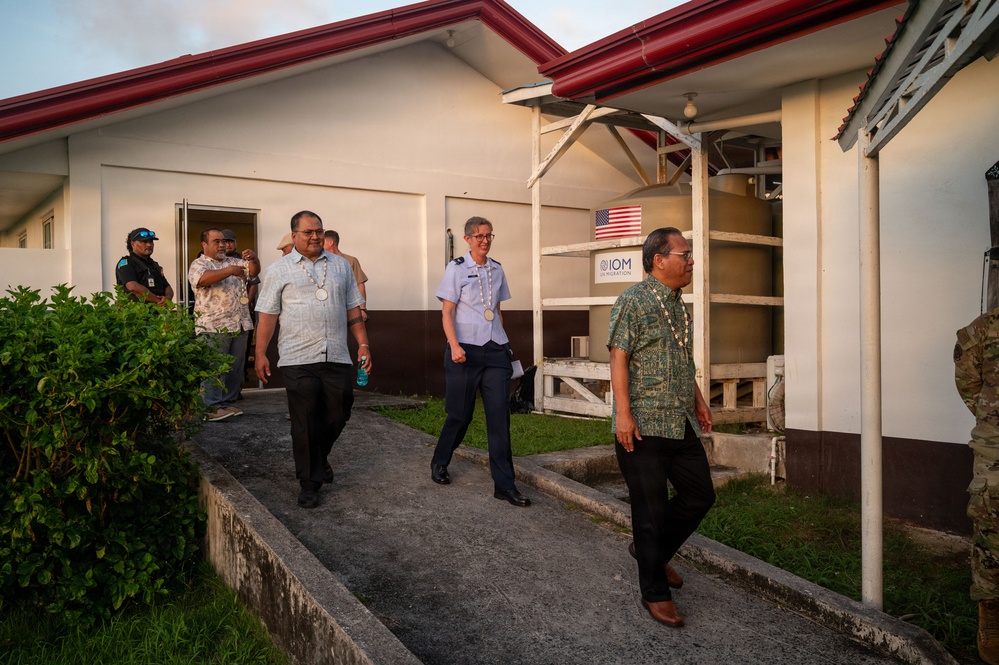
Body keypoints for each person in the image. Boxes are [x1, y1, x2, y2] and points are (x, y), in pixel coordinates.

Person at [608, 227, 715, 628]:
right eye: (684, 254)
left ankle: (649, 550)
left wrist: (699, 402)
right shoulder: (633, 301)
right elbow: (618, 358)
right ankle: (654, 591)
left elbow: (682, 360)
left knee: (700, 495)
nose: (690, 261)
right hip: (643, 423)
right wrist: (623, 414)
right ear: (659, 260)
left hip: (679, 420)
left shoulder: (678, 304)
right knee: (649, 511)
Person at [255, 210, 370, 509]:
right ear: (294, 236)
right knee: (304, 421)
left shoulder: (341, 266)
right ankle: (309, 482)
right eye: (308, 232)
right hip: (296, 356)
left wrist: (363, 345)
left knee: (340, 410)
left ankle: (318, 459)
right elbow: (268, 315)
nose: (315, 236)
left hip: (336, 353)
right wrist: (260, 353)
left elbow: (353, 309)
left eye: (318, 231)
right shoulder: (279, 270)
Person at [430, 216, 530, 507]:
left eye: (489, 236)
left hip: (495, 352)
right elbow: (447, 313)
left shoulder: (497, 270)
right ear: (467, 239)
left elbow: (496, 310)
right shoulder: (456, 269)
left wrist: (505, 343)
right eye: (479, 236)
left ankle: (505, 485)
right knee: (460, 414)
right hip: (465, 352)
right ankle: (440, 460)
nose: (485, 240)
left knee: (499, 418)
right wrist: (454, 346)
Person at [955, 308, 999, 665]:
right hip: (996, 452)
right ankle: (992, 616)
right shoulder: (986, 328)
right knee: (992, 535)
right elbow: (966, 379)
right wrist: (990, 417)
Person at [189, 228, 260, 422]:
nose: (221, 244)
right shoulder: (199, 263)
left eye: (223, 241)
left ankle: (226, 403)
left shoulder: (234, 261)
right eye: (216, 241)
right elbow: (201, 280)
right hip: (213, 326)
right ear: (204, 244)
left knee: (234, 368)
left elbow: (253, 271)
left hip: (239, 323)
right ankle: (209, 406)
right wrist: (229, 271)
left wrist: (253, 259)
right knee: (214, 368)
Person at [115, 228, 174, 305]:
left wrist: (167, 299)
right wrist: (157, 300)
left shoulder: (153, 265)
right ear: (133, 244)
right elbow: (133, 287)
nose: (149, 245)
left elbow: (167, 287)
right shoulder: (126, 263)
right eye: (144, 242)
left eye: (151, 241)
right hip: (135, 313)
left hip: (156, 312)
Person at [324, 230, 369, 322]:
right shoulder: (322, 262)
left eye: (322, 242)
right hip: (328, 311)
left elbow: (360, 284)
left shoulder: (350, 261)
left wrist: (362, 309)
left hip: (349, 310)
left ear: (330, 242)